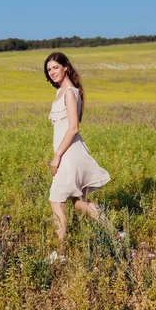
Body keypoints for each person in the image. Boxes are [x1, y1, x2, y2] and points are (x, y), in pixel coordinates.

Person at [44, 52, 113, 255]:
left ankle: (61, 252)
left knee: (56, 201)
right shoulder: (61, 92)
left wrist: (57, 156)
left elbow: (73, 127)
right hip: (69, 152)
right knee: (79, 203)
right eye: (49, 69)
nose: (52, 72)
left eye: (55, 67)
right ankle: (116, 235)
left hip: (69, 155)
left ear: (66, 67)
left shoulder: (69, 92)